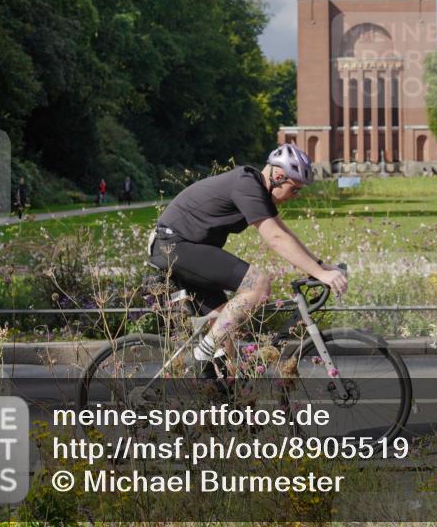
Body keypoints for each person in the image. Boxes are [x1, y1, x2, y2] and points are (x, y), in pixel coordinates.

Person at [147, 143, 347, 370]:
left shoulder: (255, 189)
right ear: (279, 176)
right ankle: (201, 356)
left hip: (185, 248)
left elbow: (284, 233)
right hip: (174, 246)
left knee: (225, 328)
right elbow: (275, 239)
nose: (295, 196)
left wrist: (320, 266)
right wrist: (320, 273)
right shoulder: (246, 185)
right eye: (295, 189)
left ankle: (223, 396)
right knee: (258, 283)